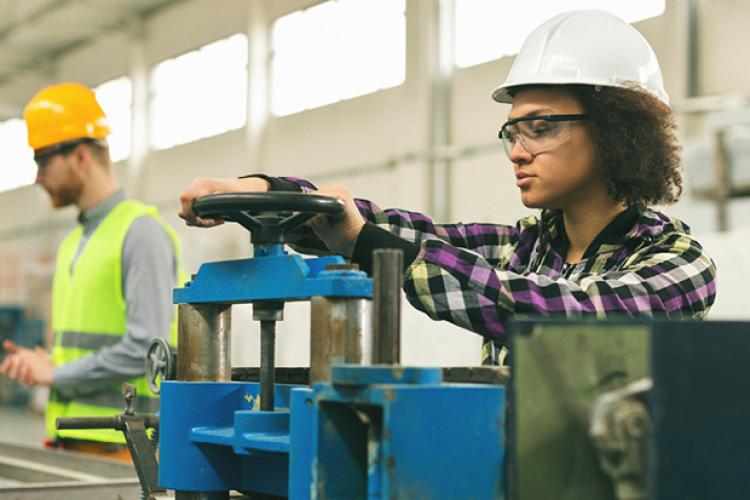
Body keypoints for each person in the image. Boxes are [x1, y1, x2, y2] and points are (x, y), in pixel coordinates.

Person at [178, 10, 716, 365]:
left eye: (542, 127)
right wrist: (266, 190)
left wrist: (374, 244)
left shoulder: (680, 267)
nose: (518, 150)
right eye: (512, 131)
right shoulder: (523, 249)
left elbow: (554, 315)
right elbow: (408, 230)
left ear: (617, 132)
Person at [0, 82, 186, 459]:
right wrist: (53, 363)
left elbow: (145, 349)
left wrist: (55, 374)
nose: (38, 176)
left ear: (80, 156)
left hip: (125, 448)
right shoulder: (75, 242)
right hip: (74, 441)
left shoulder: (140, 232)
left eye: (43, 160)